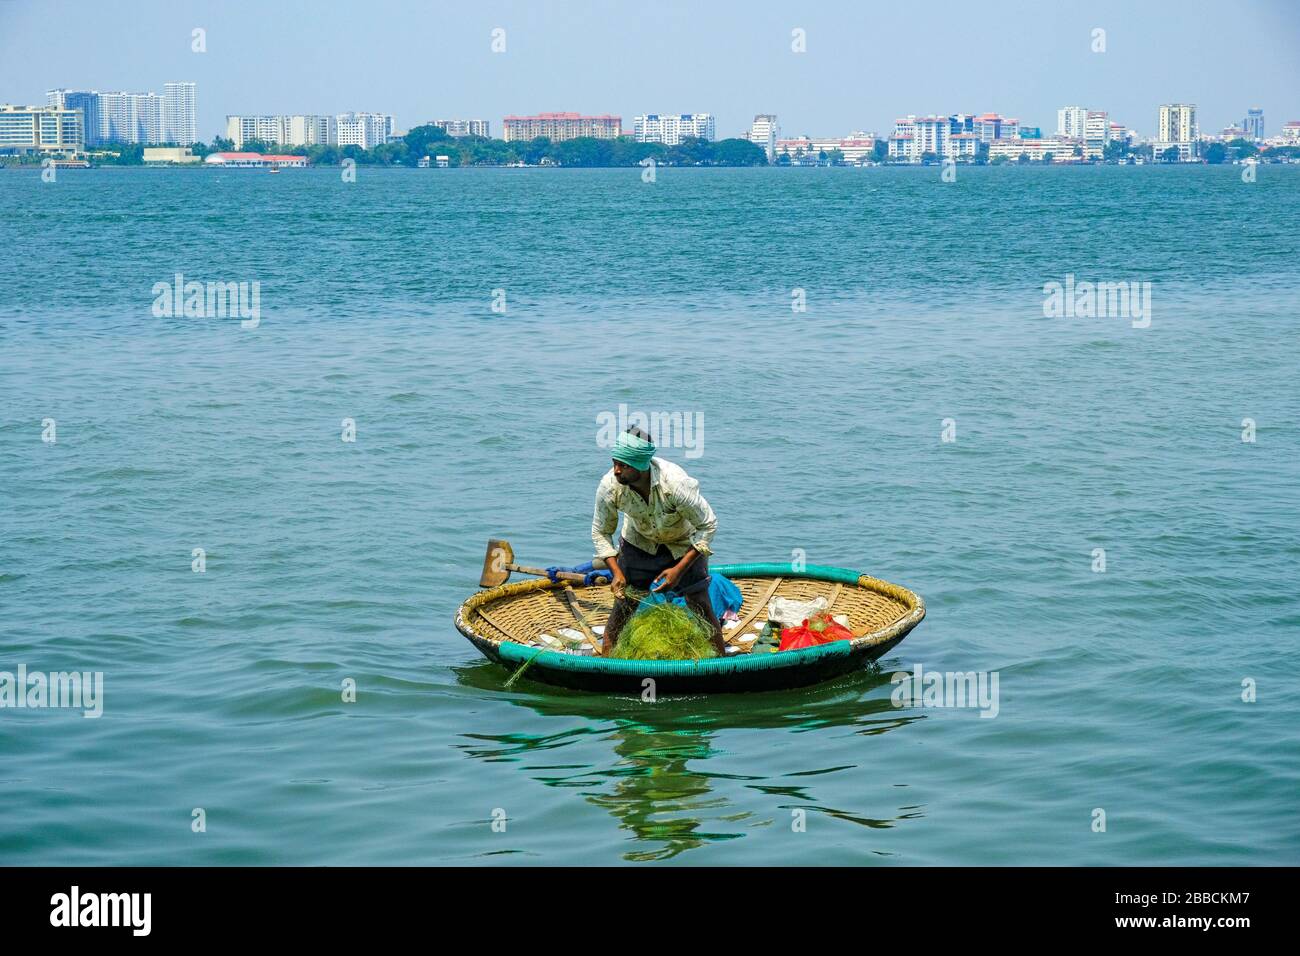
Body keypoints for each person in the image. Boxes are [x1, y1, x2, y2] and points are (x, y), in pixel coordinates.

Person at [591, 427, 725, 656]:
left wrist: (679, 570)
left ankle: (721, 664)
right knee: (624, 606)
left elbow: (708, 524)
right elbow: (601, 531)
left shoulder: (675, 484)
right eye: (614, 462)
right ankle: (608, 661)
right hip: (638, 543)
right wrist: (617, 573)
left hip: (683, 545)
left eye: (624, 465)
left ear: (642, 466)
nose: (616, 470)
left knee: (700, 603)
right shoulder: (610, 486)